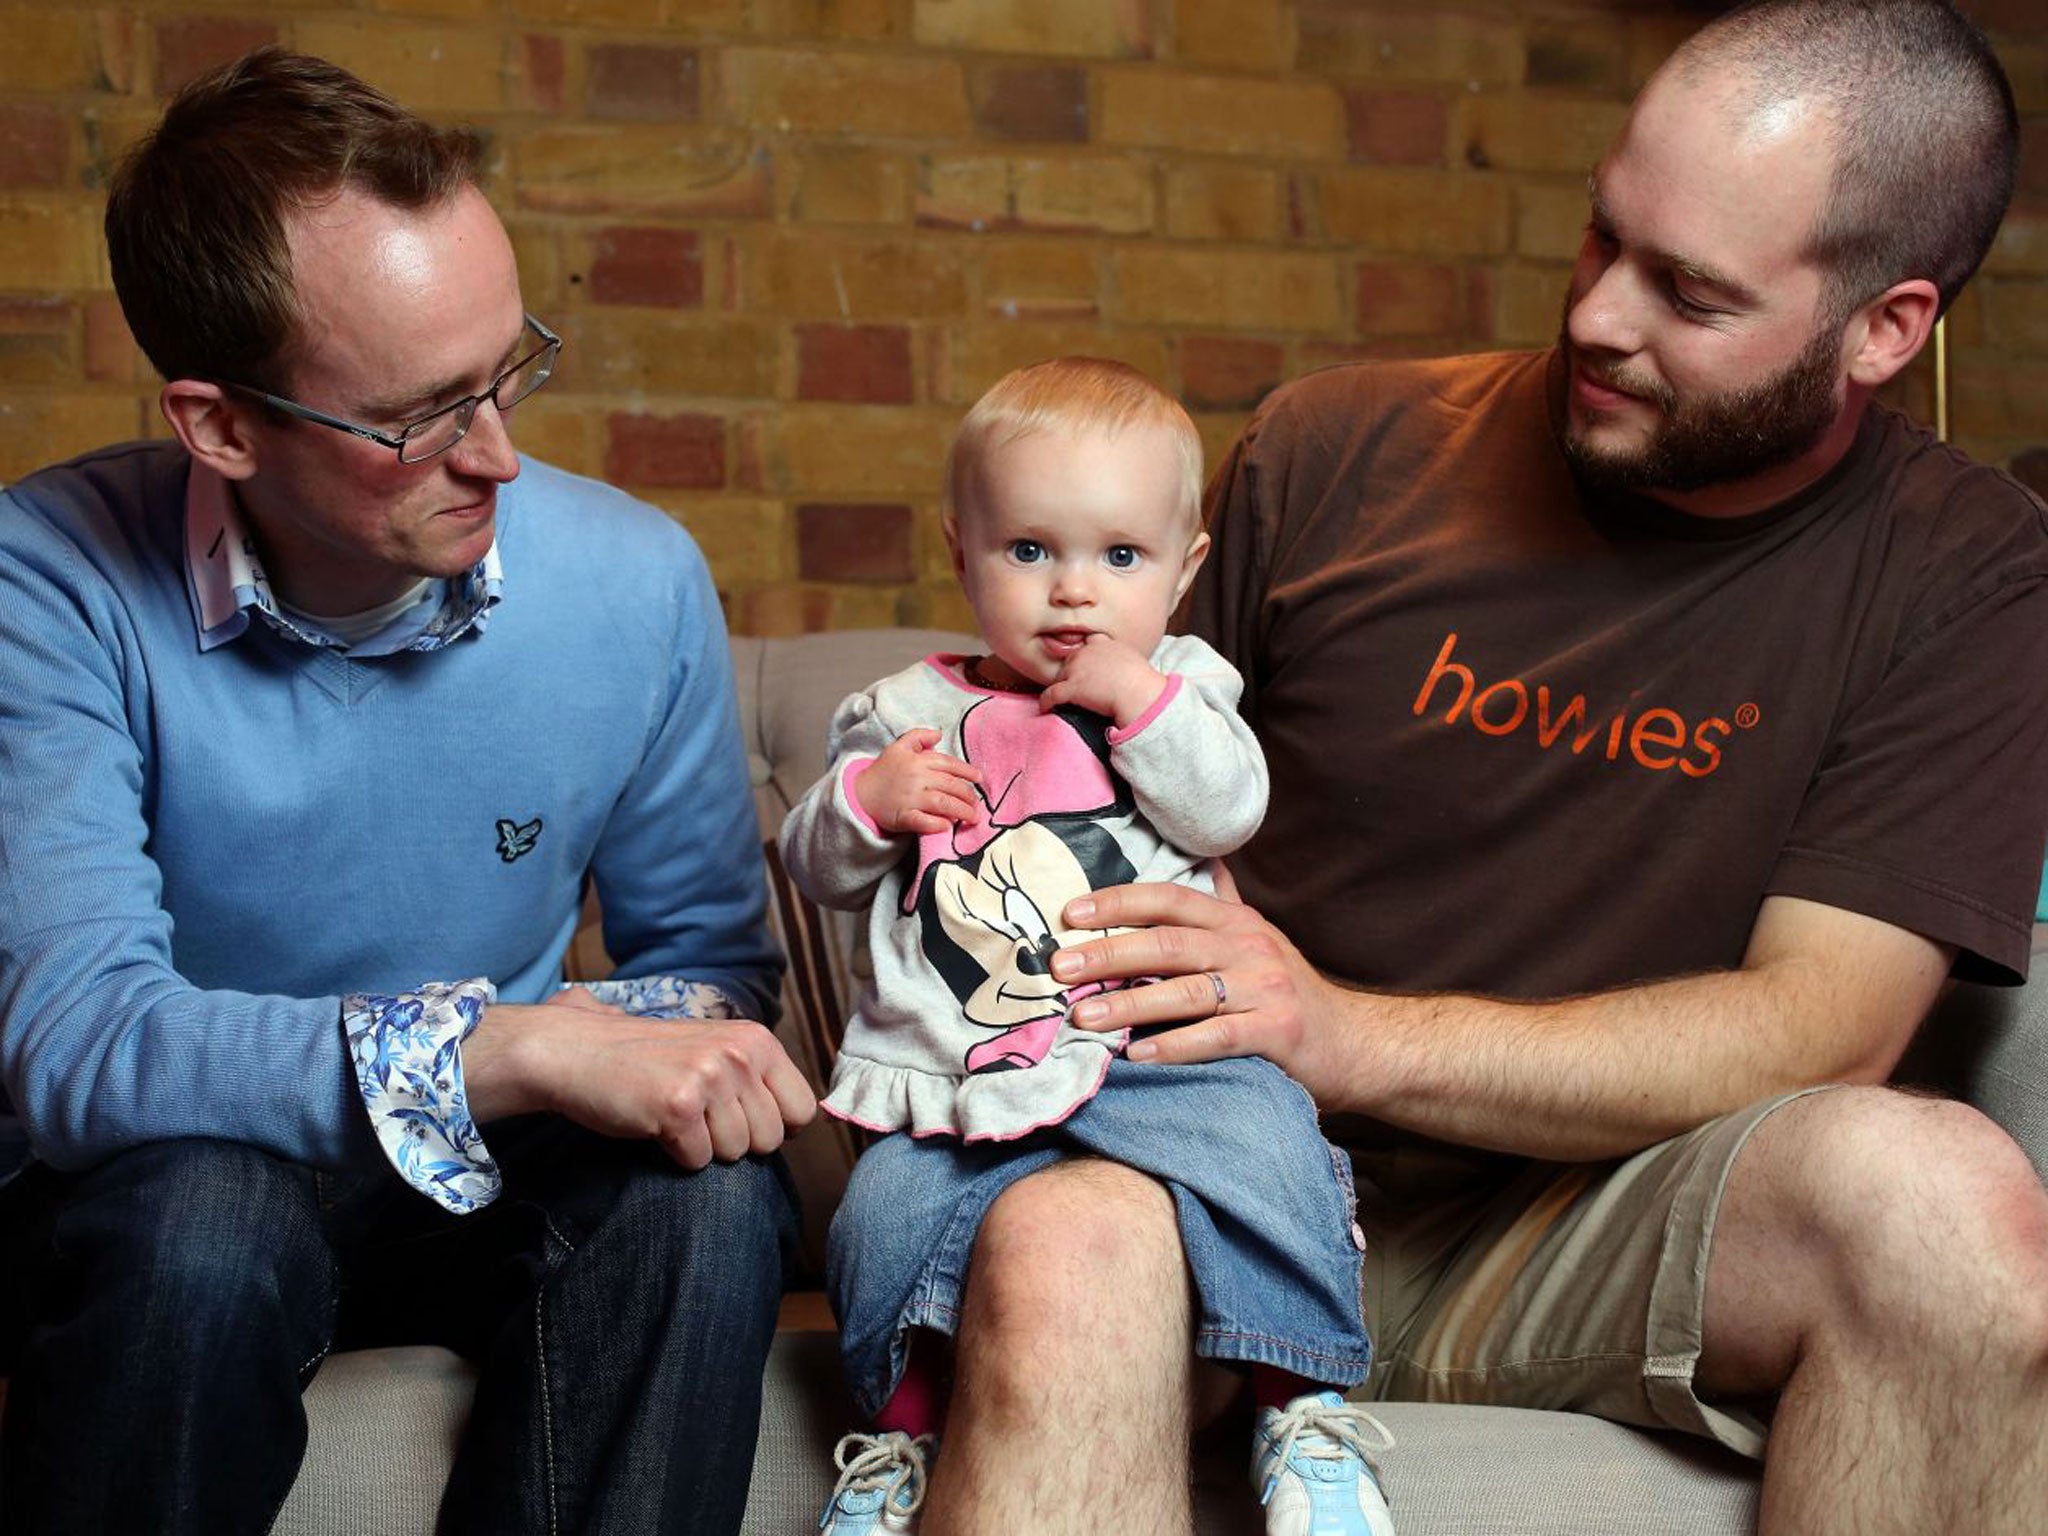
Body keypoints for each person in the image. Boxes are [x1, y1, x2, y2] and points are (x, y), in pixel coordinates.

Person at [900, 4, 2048, 1535]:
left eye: (1690, 294)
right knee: (1062, 1252)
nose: (1597, 316)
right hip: (1221, 1179)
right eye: (1601, 234)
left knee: (1943, 1215)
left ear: (1885, 329)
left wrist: (1351, 1033)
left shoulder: (1968, 572)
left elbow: (1822, 1026)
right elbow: (1056, 777)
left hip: (1591, 1220)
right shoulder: (1337, 450)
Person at [0, 48, 817, 1535]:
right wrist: (498, 1047)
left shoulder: (636, 580)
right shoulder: (46, 579)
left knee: (702, 1201)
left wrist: (648, 1050)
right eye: (422, 417)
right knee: (197, 1216)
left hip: (501, 1185)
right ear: (223, 427)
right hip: (188, 1186)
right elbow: (79, 1044)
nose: (501, 453)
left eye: (510, 369)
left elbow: (712, 975)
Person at [778, 358, 1392, 1536]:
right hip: (960, 1074)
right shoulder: (902, 714)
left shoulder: (1185, 689)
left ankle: (1300, 1406)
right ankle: (896, 1439)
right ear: (959, 551)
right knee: (881, 1222)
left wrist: (1140, 704)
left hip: (1155, 1055)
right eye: (1028, 552)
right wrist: (868, 800)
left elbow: (1225, 814)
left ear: (1184, 570)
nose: (1073, 594)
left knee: (1270, 1154)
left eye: (1119, 558)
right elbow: (817, 869)